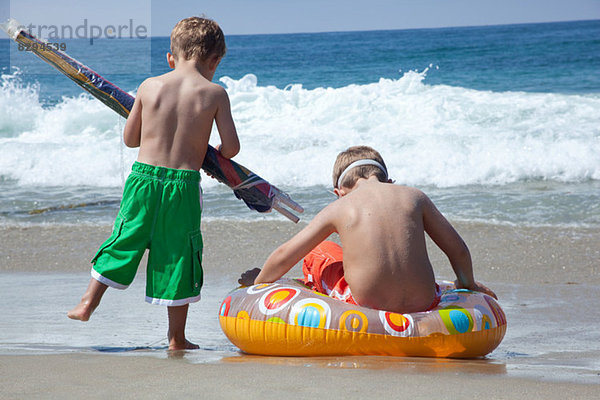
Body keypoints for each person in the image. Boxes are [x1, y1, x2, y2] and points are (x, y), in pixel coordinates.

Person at [68, 17, 240, 350]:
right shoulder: (215, 93)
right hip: (183, 185)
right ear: (215, 60)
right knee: (179, 253)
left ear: (170, 58)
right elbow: (231, 148)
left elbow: (131, 138)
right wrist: (215, 154)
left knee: (125, 237)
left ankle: (87, 303)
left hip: (143, 179)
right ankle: (177, 338)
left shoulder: (149, 86)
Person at [239, 146, 496, 314]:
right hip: (425, 302)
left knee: (320, 251)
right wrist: (467, 283)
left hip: (367, 306)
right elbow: (459, 250)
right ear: (388, 180)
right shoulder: (414, 196)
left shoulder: (340, 207)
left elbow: (286, 254)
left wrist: (260, 282)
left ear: (338, 193)